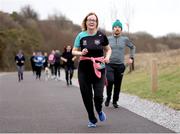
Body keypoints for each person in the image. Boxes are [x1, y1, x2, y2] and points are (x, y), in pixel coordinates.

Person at [72, 12, 112, 128]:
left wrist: (107, 57)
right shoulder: (80, 35)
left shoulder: (101, 36)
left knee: (98, 95)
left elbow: (108, 49)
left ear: (96, 23)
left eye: (93, 20)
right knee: (86, 94)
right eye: (89, 19)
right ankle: (91, 118)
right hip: (84, 68)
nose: (91, 22)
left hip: (99, 67)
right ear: (86, 22)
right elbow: (73, 51)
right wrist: (81, 52)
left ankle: (99, 110)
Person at [105, 19, 136, 108]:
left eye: (119, 27)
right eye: (115, 27)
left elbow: (133, 47)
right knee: (110, 81)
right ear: (113, 29)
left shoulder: (125, 39)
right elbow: (101, 48)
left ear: (121, 29)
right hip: (109, 64)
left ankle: (115, 101)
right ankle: (108, 97)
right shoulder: (108, 39)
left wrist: (131, 57)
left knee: (117, 85)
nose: (117, 28)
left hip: (120, 65)